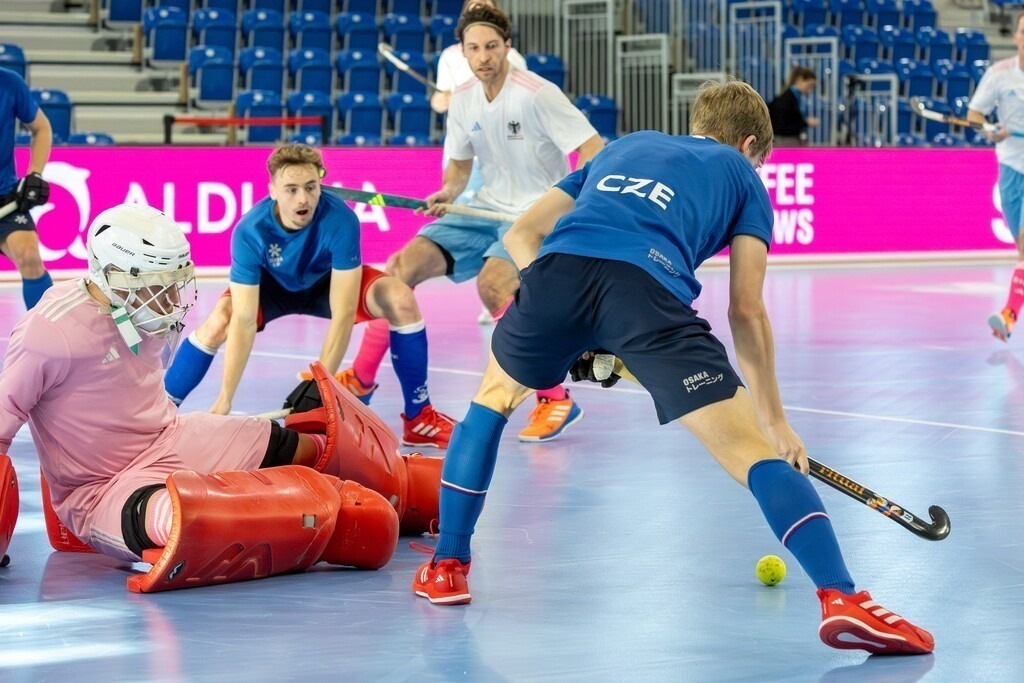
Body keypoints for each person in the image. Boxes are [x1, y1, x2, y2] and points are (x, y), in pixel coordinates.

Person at [410, 81, 934, 656]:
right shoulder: (743, 175)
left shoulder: (622, 147)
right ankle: (842, 597)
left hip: (556, 272)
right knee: (750, 453)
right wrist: (774, 422)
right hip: (648, 294)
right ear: (751, 143)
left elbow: (521, 234)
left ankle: (448, 566)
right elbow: (746, 308)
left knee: (490, 403)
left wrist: (570, 329)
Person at [0, 203, 442, 587]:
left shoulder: (143, 310)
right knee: (186, 519)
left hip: (171, 436)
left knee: (287, 441)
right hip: (104, 488)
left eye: (178, 281)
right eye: (161, 284)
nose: (175, 297)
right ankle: (333, 525)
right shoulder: (48, 332)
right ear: (114, 277)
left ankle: (408, 488)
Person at [344, 4, 605, 443]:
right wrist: (448, 192)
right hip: (483, 207)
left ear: (507, 47)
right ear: (461, 53)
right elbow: (460, 168)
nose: (483, 56)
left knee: (494, 285)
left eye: (491, 47)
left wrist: (574, 203)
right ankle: (363, 379)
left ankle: (556, 397)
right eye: (474, 48)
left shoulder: (537, 93)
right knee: (399, 269)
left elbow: (593, 147)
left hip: (533, 214)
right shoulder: (463, 98)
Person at [162, 143, 456, 448]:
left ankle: (418, 418)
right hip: (271, 288)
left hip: (325, 284)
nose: (303, 199)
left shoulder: (340, 220)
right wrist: (224, 400)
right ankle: (160, 413)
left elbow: (343, 316)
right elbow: (245, 319)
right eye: (291, 189)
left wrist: (320, 390)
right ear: (272, 191)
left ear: (320, 184)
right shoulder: (250, 231)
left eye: (310, 187)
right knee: (221, 319)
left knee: (399, 298)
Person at [969, 13, 1024, 342]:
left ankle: (1008, 315)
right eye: (1023, 30)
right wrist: (989, 130)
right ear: (1016, 36)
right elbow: (974, 114)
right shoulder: (999, 75)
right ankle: (1009, 316)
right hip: (1012, 170)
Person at [0, 68, 54, 309]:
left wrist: (34, 174)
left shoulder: (10, 83)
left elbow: (41, 128)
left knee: (29, 256)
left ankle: (47, 331)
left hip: (5, 197)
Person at [767, 66, 820, 146]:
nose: (810, 91)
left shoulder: (793, 97)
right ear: (800, 80)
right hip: (784, 142)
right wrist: (805, 123)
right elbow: (780, 127)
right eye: (809, 86)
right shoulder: (785, 100)